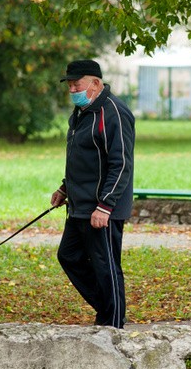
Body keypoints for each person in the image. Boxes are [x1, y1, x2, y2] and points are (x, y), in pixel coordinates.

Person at [51, 59, 135, 329]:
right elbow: (82, 158)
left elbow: (120, 164)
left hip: (102, 208)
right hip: (79, 205)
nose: (73, 88)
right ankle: (108, 309)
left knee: (105, 266)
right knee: (69, 256)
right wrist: (65, 188)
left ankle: (113, 324)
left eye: (78, 83)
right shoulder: (80, 113)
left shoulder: (114, 113)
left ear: (96, 83)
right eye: (70, 84)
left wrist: (105, 206)